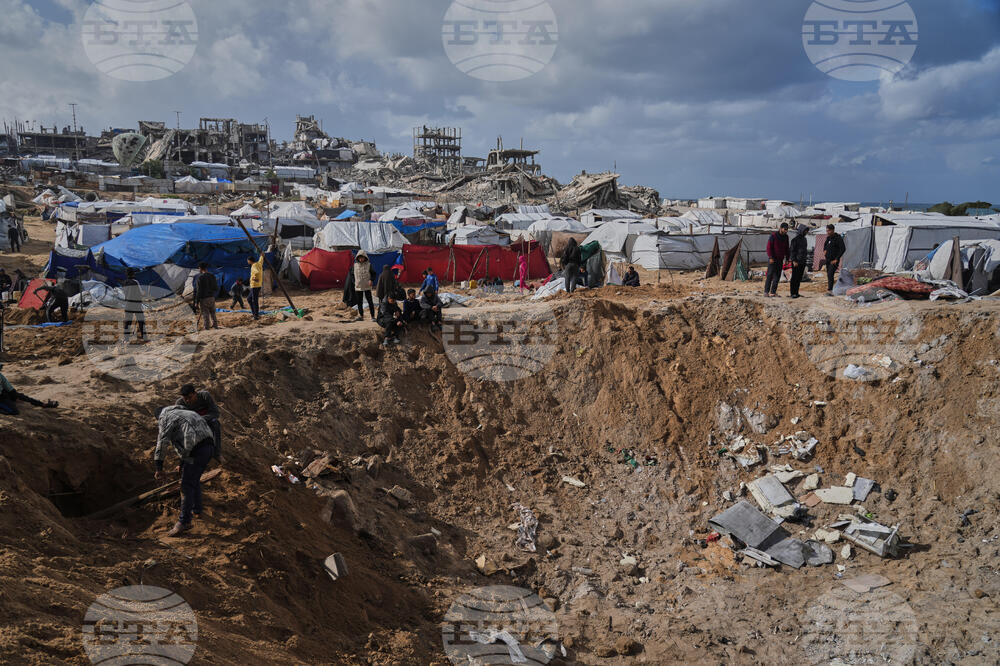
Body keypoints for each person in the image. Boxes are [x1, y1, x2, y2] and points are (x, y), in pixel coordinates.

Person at [154, 406, 215, 537]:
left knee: (186, 486)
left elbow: (162, 442)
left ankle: (184, 522)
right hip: (208, 447)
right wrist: (182, 464)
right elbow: (190, 437)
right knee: (193, 479)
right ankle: (197, 510)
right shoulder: (186, 412)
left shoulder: (165, 418)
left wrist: (159, 467)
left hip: (196, 450)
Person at [176, 384, 222, 461]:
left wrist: (200, 419)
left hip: (207, 421)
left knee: (215, 423)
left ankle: (217, 453)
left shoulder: (204, 396)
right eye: (185, 398)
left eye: (190, 397)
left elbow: (215, 413)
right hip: (192, 426)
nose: (187, 400)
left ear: (195, 393)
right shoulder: (180, 403)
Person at [764, 223, 790, 297]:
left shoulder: (786, 237)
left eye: (787, 230)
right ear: (780, 228)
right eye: (785, 229)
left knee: (777, 276)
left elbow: (787, 248)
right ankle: (766, 292)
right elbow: (769, 247)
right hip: (773, 259)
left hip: (780, 259)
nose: (786, 231)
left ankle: (773, 292)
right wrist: (771, 257)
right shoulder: (773, 236)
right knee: (769, 275)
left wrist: (787, 258)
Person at [122, 268, 147, 341]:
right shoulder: (135, 282)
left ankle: (126, 339)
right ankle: (144, 337)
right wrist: (144, 293)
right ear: (133, 274)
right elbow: (141, 293)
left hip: (127, 305)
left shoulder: (124, 283)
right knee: (141, 321)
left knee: (127, 322)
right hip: (136, 305)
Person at [352, 251, 377, 321]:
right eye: (359, 258)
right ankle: (361, 316)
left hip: (367, 286)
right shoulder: (355, 265)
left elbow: (374, 274)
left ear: (365, 257)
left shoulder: (369, 265)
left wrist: (371, 280)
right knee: (359, 302)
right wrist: (354, 282)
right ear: (357, 258)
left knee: (370, 301)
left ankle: (372, 316)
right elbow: (351, 275)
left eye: (362, 257)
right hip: (358, 287)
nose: (361, 259)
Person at [193, 263, 219, 331]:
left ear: (200, 268)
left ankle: (207, 328)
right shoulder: (212, 276)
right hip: (212, 297)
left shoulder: (200, 277)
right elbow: (216, 288)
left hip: (204, 298)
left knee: (205, 314)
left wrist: (196, 301)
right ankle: (215, 326)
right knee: (213, 313)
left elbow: (199, 291)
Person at [823, 224, 847, 295]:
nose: (827, 232)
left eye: (829, 231)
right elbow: (825, 246)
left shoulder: (838, 238)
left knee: (830, 274)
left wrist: (837, 259)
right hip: (828, 260)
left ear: (833, 230)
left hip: (834, 260)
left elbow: (843, 249)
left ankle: (830, 290)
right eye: (826, 231)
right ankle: (831, 287)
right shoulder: (828, 238)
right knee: (828, 274)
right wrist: (824, 250)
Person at [788, 224, 810, 299]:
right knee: (794, 278)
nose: (806, 232)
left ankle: (796, 292)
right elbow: (792, 251)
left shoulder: (804, 239)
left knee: (799, 278)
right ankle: (792, 293)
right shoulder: (795, 240)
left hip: (802, 261)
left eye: (806, 231)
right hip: (796, 262)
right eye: (805, 231)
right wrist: (794, 260)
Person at [248, 254, 264, 320]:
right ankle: (254, 313)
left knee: (254, 300)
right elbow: (261, 260)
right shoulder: (258, 263)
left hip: (254, 285)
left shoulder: (254, 266)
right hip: (258, 285)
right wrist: (262, 255)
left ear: (250, 261)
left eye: (248, 260)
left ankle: (256, 315)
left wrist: (254, 278)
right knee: (249, 299)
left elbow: (257, 272)